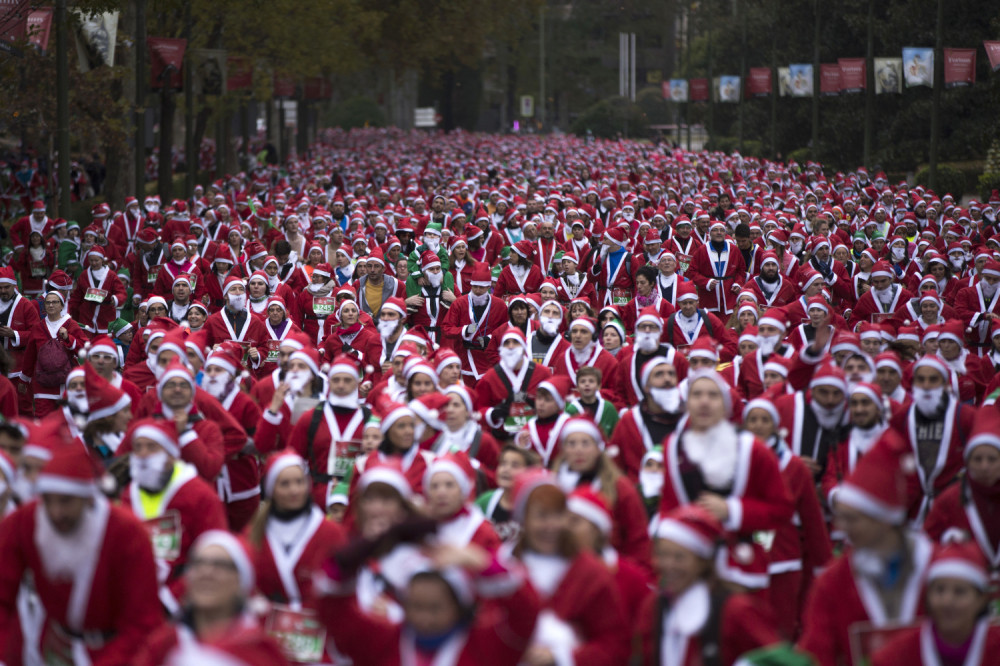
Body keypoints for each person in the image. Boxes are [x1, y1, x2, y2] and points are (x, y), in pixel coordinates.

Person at [0, 442, 162, 664]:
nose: (56, 512)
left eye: (66, 501)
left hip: (114, 650)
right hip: (52, 647)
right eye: (47, 500)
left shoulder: (128, 533)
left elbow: (142, 621)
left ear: (88, 496)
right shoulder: (24, 522)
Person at [799, 429, 934, 666]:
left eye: (852, 519)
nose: (841, 526)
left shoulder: (938, 568)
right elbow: (816, 652)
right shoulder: (833, 581)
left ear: (883, 519)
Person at [507, 470, 630, 664]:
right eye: (541, 516)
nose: (551, 525)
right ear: (524, 520)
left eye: (558, 515)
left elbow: (616, 643)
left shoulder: (589, 572)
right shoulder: (505, 569)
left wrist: (561, 656)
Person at [636, 505, 782, 664]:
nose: (668, 565)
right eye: (662, 555)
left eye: (679, 557)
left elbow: (776, 659)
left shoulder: (735, 610)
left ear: (703, 561)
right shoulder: (654, 607)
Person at [120, 418, 227, 617]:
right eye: (138, 447)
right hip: (134, 602)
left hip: (184, 606)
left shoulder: (200, 496)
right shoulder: (128, 494)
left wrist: (169, 600)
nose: (143, 455)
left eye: (152, 447)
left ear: (170, 454)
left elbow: (214, 556)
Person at [135, 530, 289, 664]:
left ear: (241, 581)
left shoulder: (261, 650)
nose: (206, 573)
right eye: (199, 563)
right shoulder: (163, 644)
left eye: (220, 565)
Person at [872, 542, 1000, 666]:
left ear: (982, 599)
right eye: (939, 590)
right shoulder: (896, 654)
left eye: (959, 592)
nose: (947, 601)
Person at [552, 415, 652, 569]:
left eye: (585, 443)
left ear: (598, 449)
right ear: (563, 450)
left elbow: (638, 540)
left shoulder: (620, 487)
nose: (578, 450)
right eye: (571, 443)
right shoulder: (552, 487)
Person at [21, 291, 87, 418]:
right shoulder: (38, 327)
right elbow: (30, 355)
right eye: (48, 302)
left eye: (55, 302)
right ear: (44, 306)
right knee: (43, 419)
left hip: (66, 382)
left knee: (66, 420)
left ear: (62, 306)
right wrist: (24, 379)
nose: (51, 305)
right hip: (43, 384)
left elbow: (85, 350)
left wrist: (69, 338)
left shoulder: (71, 325)